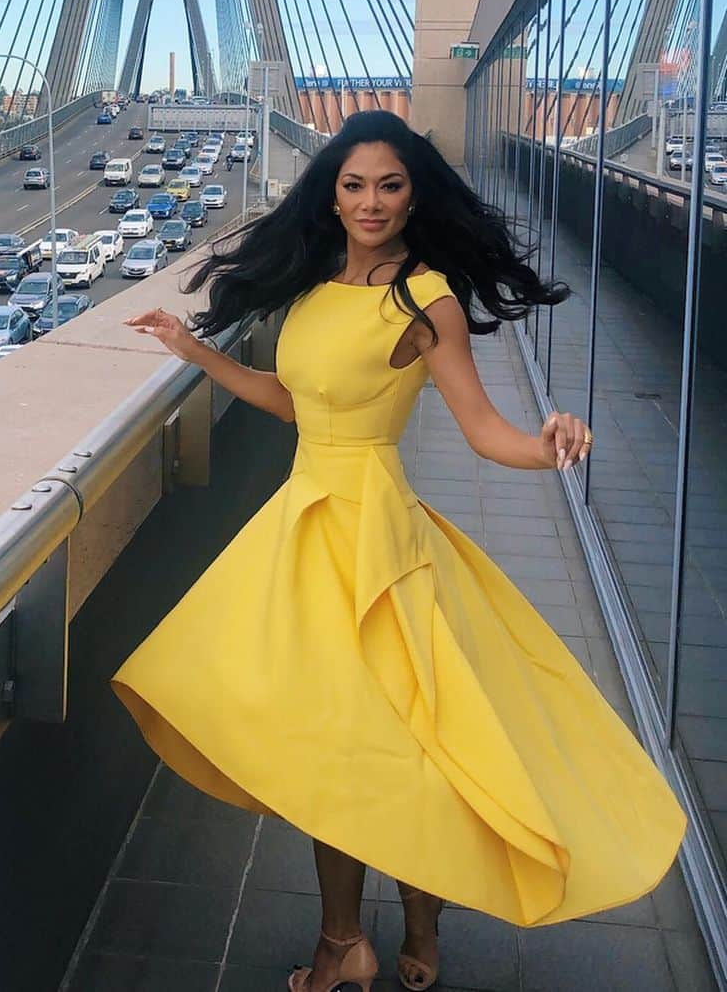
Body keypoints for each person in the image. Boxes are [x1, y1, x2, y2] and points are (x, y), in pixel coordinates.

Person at [116, 111, 686, 992]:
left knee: (410, 750)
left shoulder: (426, 299)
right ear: (330, 194)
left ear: (413, 191)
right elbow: (300, 405)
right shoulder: (311, 286)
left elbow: (486, 429)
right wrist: (192, 351)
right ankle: (343, 939)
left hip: (378, 538)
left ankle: (421, 911)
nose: (371, 201)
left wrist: (551, 443)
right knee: (330, 752)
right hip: (303, 529)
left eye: (389, 184)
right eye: (353, 184)